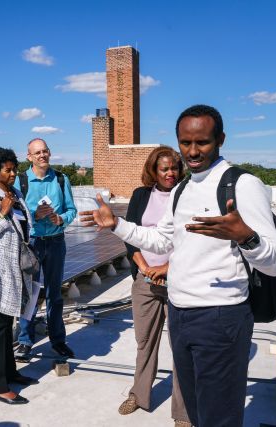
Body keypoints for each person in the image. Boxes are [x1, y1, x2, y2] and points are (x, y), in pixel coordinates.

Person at [80, 105, 276, 426]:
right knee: (193, 409)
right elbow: (161, 241)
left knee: (218, 415)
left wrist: (246, 237)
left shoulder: (242, 184)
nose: (192, 151)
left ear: (220, 139)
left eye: (202, 142)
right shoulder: (182, 190)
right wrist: (117, 225)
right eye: (185, 143)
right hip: (180, 314)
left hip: (221, 317)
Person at [117, 146, 190, 426]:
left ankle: (183, 412)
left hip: (179, 282)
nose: (171, 173)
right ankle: (140, 394)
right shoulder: (141, 195)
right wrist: (145, 268)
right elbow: (130, 235)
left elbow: (192, 240)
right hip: (145, 280)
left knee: (182, 346)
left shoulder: (186, 195)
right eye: (164, 169)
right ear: (153, 171)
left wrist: (168, 269)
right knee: (145, 341)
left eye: (174, 168)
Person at [0, 147, 38, 405]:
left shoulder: (17, 195)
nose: (12, 173)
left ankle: (10, 372)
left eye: (14, 169)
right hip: (0, 274)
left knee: (8, 325)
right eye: (7, 169)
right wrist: (2, 213)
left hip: (16, 272)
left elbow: (25, 228)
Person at [14, 138, 77, 361]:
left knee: (54, 294)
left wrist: (61, 219)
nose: (43, 155)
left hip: (56, 241)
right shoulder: (21, 181)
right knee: (29, 294)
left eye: (46, 151)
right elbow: (14, 215)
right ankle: (24, 341)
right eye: (37, 152)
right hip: (32, 244)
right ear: (29, 156)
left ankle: (58, 341)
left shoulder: (61, 179)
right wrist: (34, 216)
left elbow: (72, 210)